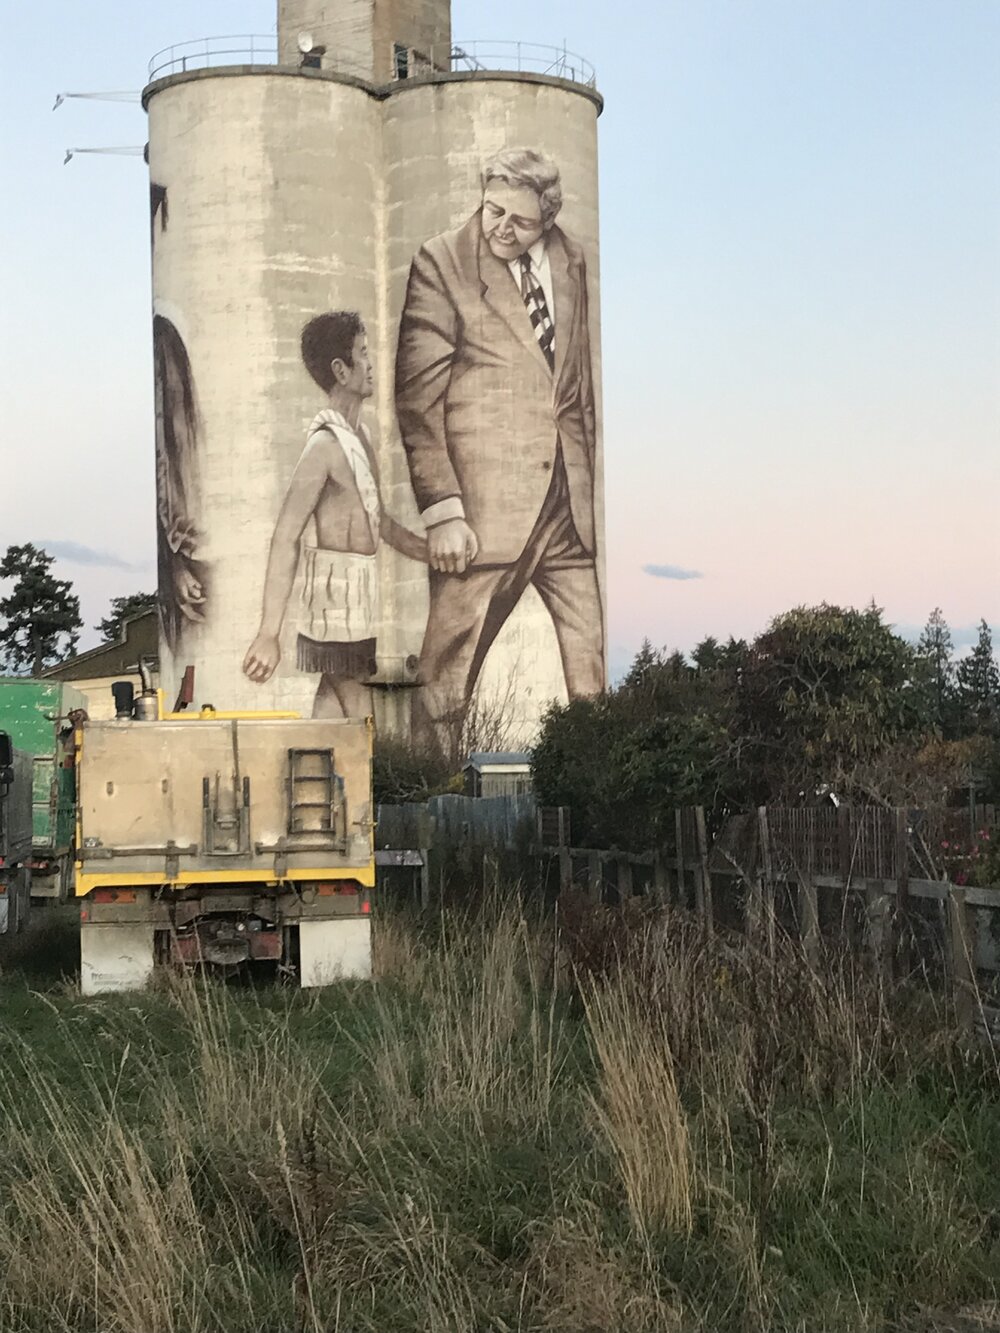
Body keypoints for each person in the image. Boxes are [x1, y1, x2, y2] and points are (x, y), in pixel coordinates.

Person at [395, 146, 605, 756]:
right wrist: (443, 510)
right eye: (492, 211)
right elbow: (415, 396)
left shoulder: (571, 259)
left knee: (590, 663)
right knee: (446, 675)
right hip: (483, 510)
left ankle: (595, 776)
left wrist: (588, 478)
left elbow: (578, 385)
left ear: (548, 218)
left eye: (520, 220)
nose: (501, 229)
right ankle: (426, 785)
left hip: (568, 501)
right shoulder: (442, 262)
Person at [244, 312, 426, 718]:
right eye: (363, 354)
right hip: (333, 604)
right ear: (341, 371)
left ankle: (315, 779)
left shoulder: (362, 439)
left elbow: (380, 522)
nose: (372, 363)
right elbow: (286, 536)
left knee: (329, 715)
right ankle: (367, 780)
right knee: (363, 721)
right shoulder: (323, 448)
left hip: (360, 603)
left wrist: (430, 552)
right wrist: (268, 633)